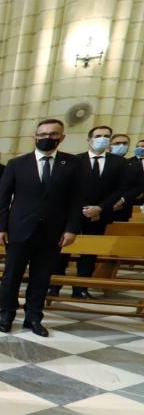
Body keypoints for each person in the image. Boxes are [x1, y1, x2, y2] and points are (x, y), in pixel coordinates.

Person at [0, 118, 85, 337]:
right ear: (34, 137)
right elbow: (3, 198)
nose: (47, 138)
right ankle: (6, 316)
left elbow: (76, 200)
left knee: (42, 277)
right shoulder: (17, 164)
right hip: (19, 229)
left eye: (53, 134)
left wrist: (72, 229)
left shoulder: (72, 164)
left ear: (61, 138)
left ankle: (33, 318)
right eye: (43, 134)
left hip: (53, 231)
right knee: (11, 276)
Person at [51, 125, 127, 299]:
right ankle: (55, 285)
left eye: (106, 136)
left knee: (89, 253)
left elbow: (119, 189)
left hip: (100, 214)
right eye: (98, 135)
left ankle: (81, 288)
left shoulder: (118, 162)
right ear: (89, 139)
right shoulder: (76, 160)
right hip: (73, 213)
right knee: (63, 250)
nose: (103, 139)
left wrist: (100, 208)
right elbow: (69, 188)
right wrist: (83, 208)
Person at [114, 138, 144, 221]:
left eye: (143, 146)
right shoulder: (128, 162)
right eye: (138, 146)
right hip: (128, 198)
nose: (140, 148)